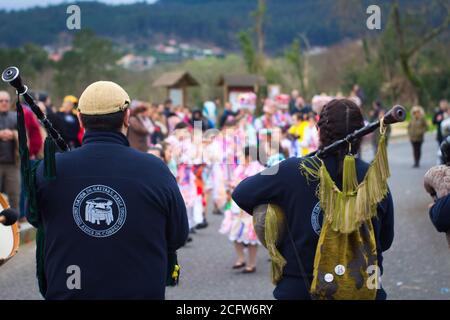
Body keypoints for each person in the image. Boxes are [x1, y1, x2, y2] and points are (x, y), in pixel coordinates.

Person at [28, 81, 188, 299]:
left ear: (80, 119)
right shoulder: (156, 169)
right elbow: (177, 235)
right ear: (126, 117)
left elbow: (35, 220)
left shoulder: (48, 170)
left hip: (70, 290)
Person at [232, 99, 394, 300]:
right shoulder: (375, 179)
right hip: (363, 288)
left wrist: (281, 225)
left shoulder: (289, 169)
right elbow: (385, 240)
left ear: (319, 130)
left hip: (300, 288)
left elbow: (241, 192)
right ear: (361, 134)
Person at [220, 146, 264, 273]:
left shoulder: (259, 169)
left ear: (249, 157)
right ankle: (240, 258)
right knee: (234, 232)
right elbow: (234, 181)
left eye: (241, 157)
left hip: (251, 207)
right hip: (237, 206)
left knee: (251, 236)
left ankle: (252, 263)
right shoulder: (240, 168)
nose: (239, 159)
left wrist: (238, 184)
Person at [0, 91, 19, 212]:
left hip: (13, 164)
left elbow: (25, 136)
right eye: (1, 101)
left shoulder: (15, 116)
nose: (4, 103)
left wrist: (13, 134)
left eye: (6, 100)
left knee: (14, 196)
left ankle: (15, 226)